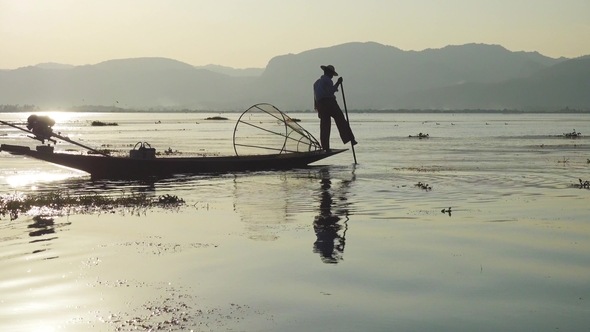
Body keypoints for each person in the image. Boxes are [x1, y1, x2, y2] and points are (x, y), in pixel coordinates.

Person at [313, 65, 357, 152]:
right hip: (330, 103)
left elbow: (315, 97)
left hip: (321, 105)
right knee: (341, 120)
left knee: (324, 126)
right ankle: (350, 138)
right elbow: (330, 91)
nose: (332, 76)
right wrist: (338, 83)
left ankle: (325, 147)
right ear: (329, 73)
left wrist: (317, 108)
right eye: (332, 74)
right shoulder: (328, 80)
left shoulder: (316, 83)